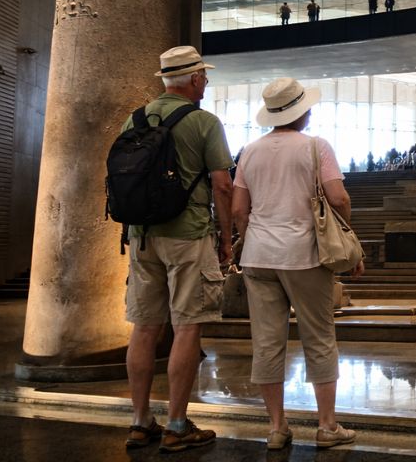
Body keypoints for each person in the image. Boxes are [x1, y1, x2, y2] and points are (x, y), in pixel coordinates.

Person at [233, 77, 362, 451]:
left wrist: (252, 235)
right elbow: (337, 198)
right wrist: (349, 238)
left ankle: (276, 427)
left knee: (267, 342)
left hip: (258, 256)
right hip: (304, 254)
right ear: (301, 112)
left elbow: (240, 209)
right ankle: (326, 426)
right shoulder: (315, 147)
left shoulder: (249, 151)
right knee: (319, 337)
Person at [124, 46, 234, 452]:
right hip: (188, 234)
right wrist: (226, 238)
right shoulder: (204, 121)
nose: (205, 81)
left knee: (145, 327)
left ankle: (139, 422)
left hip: (141, 236)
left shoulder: (133, 119)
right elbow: (222, 185)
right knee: (187, 326)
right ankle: (176, 424)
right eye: (203, 76)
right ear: (192, 79)